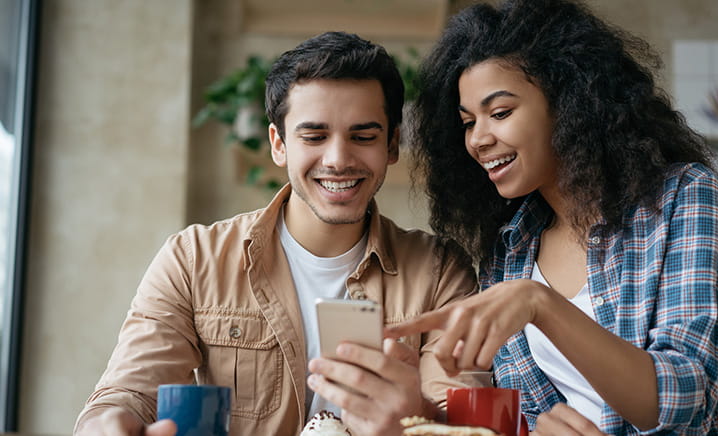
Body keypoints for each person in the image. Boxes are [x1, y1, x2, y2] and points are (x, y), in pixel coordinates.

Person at [386, 0, 718, 434]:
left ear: (569, 100)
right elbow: (529, 416)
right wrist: (418, 406)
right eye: (466, 122)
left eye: (500, 113)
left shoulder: (685, 198)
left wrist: (540, 303)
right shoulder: (511, 249)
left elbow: (683, 400)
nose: (477, 139)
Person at [74, 31, 482, 436]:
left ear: (392, 144)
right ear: (279, 144)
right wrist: (105, 425)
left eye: (363, 136)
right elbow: (126, 394)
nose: (338, 159)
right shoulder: (194, 258)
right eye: (314, 136)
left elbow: (466, 419)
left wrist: (418, 417)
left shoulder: (440, 271)